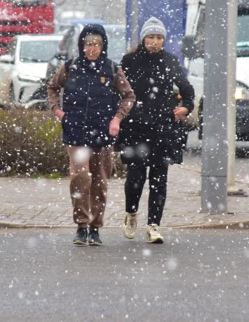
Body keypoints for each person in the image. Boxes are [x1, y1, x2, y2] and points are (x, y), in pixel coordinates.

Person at [47, 24, 135, 246]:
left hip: (102, 135)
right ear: (82, 45)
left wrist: (117, 119)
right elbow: (52, 87)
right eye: (88, 44)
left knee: (99, 181)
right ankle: (81, 225)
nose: (92, 48)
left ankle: (95, 227)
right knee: (80, 176)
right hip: (75, 133)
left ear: (103, 46)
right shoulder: (70, 67)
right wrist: (57, 111)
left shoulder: (113, 70)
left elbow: (129, 96)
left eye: (96, 44)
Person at [117, 17, 195, 244]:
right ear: (143, 39)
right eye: (151, 37)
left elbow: (187, 90)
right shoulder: (130, 61)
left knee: (159, 179)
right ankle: (131, 213)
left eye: (159, 37)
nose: (155, 41)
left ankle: (154, 226)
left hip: (163, 129)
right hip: (135, 127)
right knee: (135, 176)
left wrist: (185, 107)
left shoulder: (170, 61)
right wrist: (119, 116)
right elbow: (119, 91)